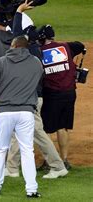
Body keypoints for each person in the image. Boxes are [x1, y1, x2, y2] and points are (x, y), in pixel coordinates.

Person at [6, 0, 68, 179]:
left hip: (30, 99)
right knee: (19, 133)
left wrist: (18, 11)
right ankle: (11, 168)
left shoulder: (29, 53)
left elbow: (17, 34)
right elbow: (18, 35)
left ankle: (57, 166)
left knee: (37, 134)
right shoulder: (36, 51)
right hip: (32, 98)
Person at [0, 36, 43, 198]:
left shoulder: (1, 62)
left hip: (5, 113)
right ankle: (31, 189)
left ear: (14, 45)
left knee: (1, 149)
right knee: (27, 151)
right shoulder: (36, 62)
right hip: (26, 113)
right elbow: (38, 79)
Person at [37, 24, 85, 170]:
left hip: (52, 93)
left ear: (42, 38)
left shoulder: (39, 52)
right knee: (62, 127)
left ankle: (50, 161)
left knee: (46, 129)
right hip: (70, 93)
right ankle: (64, 160)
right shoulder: (66, 47)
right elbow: (80, 45)